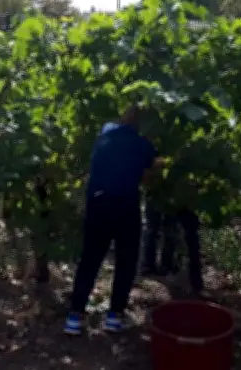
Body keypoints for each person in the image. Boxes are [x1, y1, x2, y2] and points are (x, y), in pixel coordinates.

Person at [64, 105, 165, 335]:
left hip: (97, 203)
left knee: (90, 259)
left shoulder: (105, 135)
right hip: (125, 206)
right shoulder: (142, 144)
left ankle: (75, 317)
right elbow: (148, 177)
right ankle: (114, 317)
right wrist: (158, 165)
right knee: (125, 261)